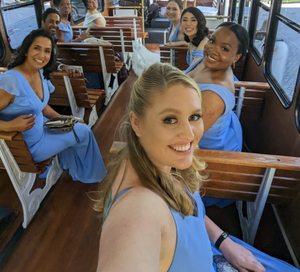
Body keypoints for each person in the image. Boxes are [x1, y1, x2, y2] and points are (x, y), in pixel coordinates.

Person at [96, 63, 297, 272]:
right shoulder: (138, 210)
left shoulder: (160, 162)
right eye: (170, 119)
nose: (190, 134)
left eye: (194, 116)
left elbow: (191, 212)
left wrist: (223, 242)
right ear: (137, 123)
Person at [0, 29, 106, 183]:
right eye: (37, 48)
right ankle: (91, 176)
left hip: (44, 129)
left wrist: (65, 118)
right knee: (84, 132)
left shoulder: (39, 72)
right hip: (29, 147)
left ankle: (72, 167)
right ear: (26, 50)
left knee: (77, 126)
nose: (42, 55)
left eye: (47, 51)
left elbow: (42, 107)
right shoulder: (11, 81)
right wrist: (10, 126)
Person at [187, 22, 248, 153]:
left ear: (236, 57)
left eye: (225, 49)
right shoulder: (207, 62)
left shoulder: (213, 98)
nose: (213, 49)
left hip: (212, 154)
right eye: (212, 41)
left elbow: (187, 137)